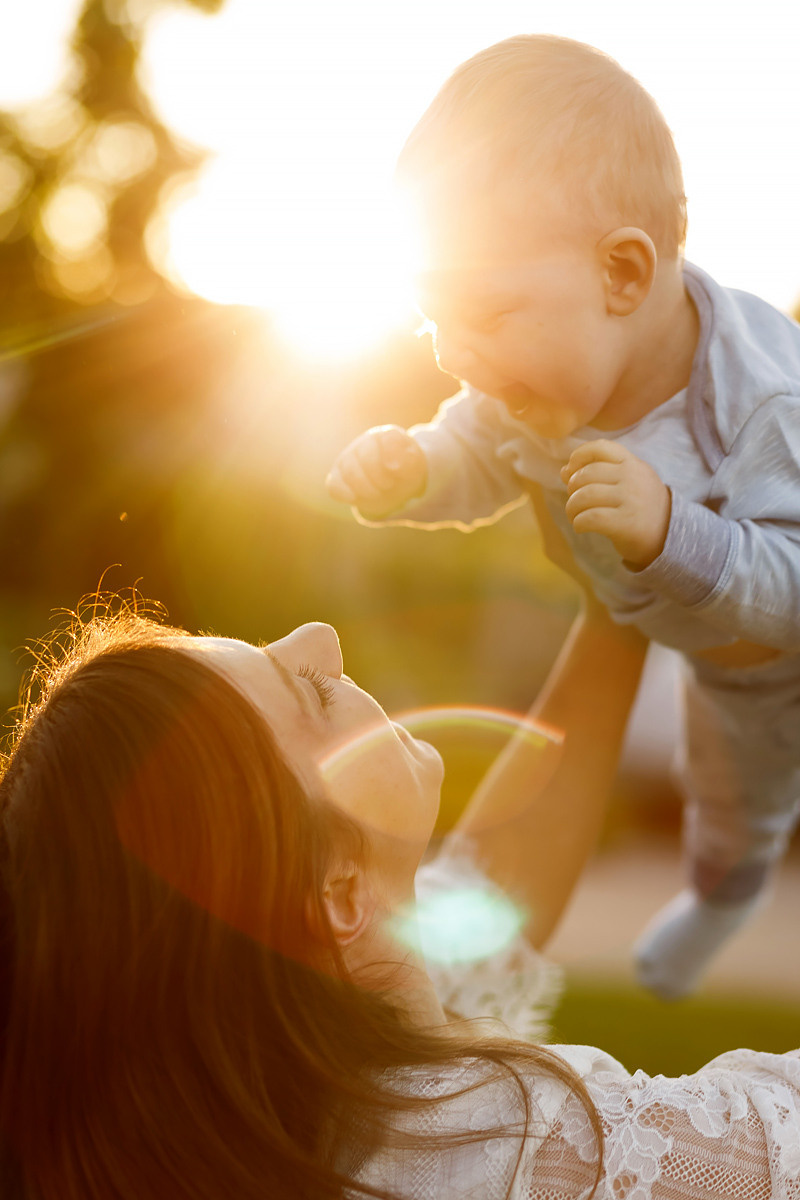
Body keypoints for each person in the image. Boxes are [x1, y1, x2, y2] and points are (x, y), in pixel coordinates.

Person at [0, 593, 798, 1200]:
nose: (324, 640)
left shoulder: (308, 1084)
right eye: (310, 692)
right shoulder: (507, 1136)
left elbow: (491, 890)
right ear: (340, 894)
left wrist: (618, 606)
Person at [325, 33, 800, 1001]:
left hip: (773, 650)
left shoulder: (756, 404)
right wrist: (411, 473)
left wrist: (672, 531)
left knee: (752, 784)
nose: (456, 358)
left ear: (621, 275)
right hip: (704, 655)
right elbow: (475, 454)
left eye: (485, 316)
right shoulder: (529, 382)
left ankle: (726, 895)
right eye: (431, 322)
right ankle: (718, 898)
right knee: (723, 799)